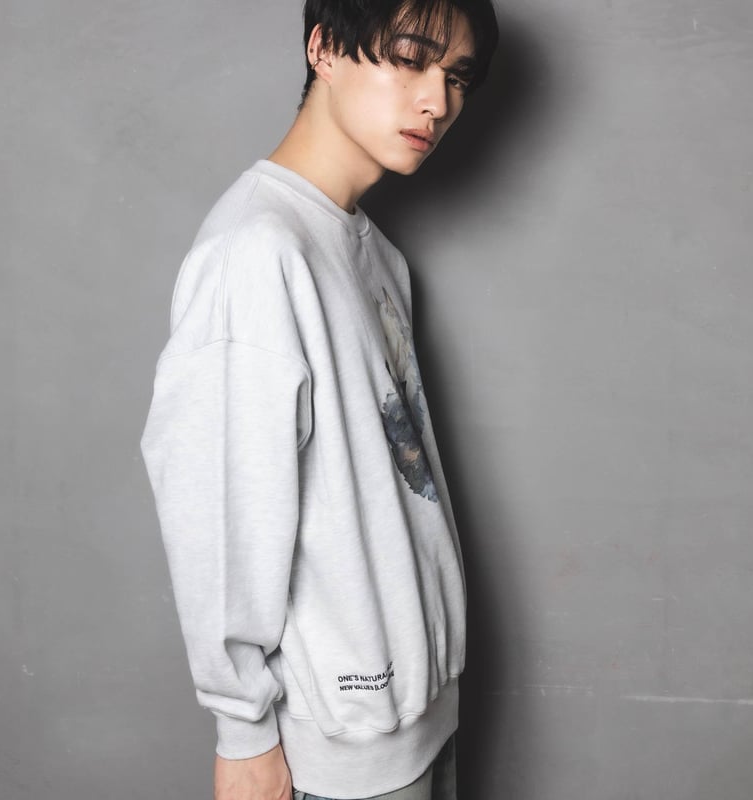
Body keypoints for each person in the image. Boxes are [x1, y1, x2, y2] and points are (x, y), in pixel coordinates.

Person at [140, 1, 498, 798]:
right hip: (338, 749)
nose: (437, 101)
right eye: (410, 58)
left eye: (457, 76)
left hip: (420, 715)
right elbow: (216, 509)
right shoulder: (255, 253)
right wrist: (243, 732)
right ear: (325, 47)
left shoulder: (373, 253)